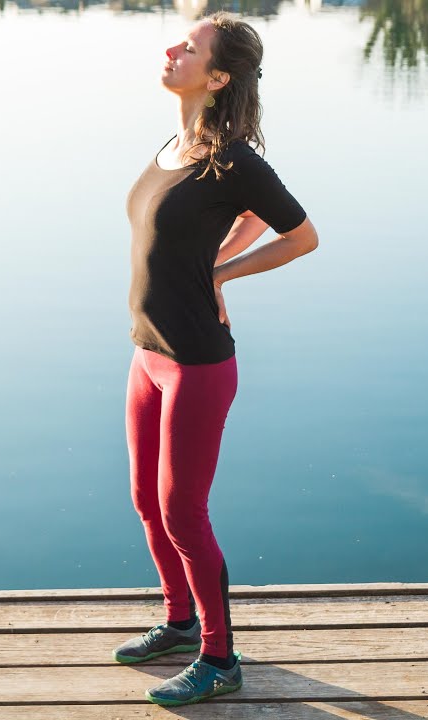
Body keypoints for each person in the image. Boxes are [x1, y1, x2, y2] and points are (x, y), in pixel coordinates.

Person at [114, 10, 320, 708]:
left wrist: (222, 274)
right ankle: (178, 621)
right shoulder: (176, 144)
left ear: (219, 75)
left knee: (183, 513)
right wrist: (220, 253)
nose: (172, 49)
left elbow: (299, 233)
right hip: (148, 354)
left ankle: (220, 657)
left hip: (198, 361)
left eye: (190, 46)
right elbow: (241, 220)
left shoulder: (235, 158)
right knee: (147, 500)